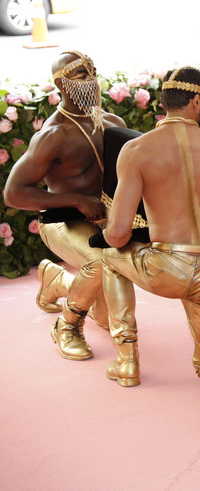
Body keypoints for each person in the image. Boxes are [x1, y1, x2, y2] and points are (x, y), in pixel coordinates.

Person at [101, 67, 200, 417]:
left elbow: (120, 230)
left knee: (110, 257)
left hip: (165, 265)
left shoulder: (136, 150)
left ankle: (127, 361)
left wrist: (107, 237)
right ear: (196, 100)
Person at [4, 51, 126, 360]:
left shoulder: (112, 122)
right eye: (82, 75)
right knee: (98, 263)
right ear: (60, 84)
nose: (93, 81)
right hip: (60, 220)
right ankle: (68, 326)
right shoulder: (54, 134)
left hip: (103, 221)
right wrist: (75, 200)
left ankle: (57, 280)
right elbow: (14, 194)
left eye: (93, 72)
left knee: (117, 283)